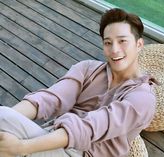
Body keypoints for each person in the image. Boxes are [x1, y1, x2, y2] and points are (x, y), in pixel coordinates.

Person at [0, 8, 156, 157]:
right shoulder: (87, 68)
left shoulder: (143, 98)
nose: (114, 50)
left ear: (139, 44)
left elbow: (89, 128)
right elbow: (50, 98)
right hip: (52, 138)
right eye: (108, 43)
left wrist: (20, 148)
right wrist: (7, 123)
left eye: (122, 41)